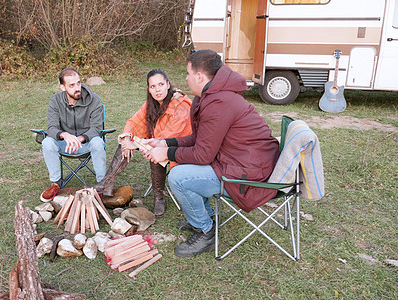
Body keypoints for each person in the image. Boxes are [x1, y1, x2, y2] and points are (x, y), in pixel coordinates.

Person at [141, 50, 280, 257]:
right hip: (237, 161)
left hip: (248, 173)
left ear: (199, 76)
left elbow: (203, 155)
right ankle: (205, 215)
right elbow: (198, 138)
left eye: (188, 73)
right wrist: (164, 142)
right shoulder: (210, 95)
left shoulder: (219, 103)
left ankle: (204, 230)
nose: (186, 78)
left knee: (179, 177)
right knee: (186, 169)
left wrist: (166, 153)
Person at [93, 68, 192, 216]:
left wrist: (137, 145)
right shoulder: (152, 103)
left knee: (155, 153)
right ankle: (107, 183)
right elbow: (134, 121)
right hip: (158, 143)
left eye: (160, 85)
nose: (157, 90)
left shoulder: (181, 106)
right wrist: (127, 138)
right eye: (153, 86)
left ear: (168, 84)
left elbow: (167, 139)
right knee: (126, 141)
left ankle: (159, 197)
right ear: (149, 89)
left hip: (181, 147)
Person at [40, 67, 106, 200]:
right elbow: (52, 127)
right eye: (71, 85)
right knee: (47, 142)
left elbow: (97, 128)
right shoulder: (55, 101)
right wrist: (66, 135)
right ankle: (56, 184)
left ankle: (102, 185)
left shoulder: (94, 100)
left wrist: (80, 139)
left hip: (86, 143)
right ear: (63, 87)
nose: (77, 88)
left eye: (78, 83)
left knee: (98, 142)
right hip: (65, 144)